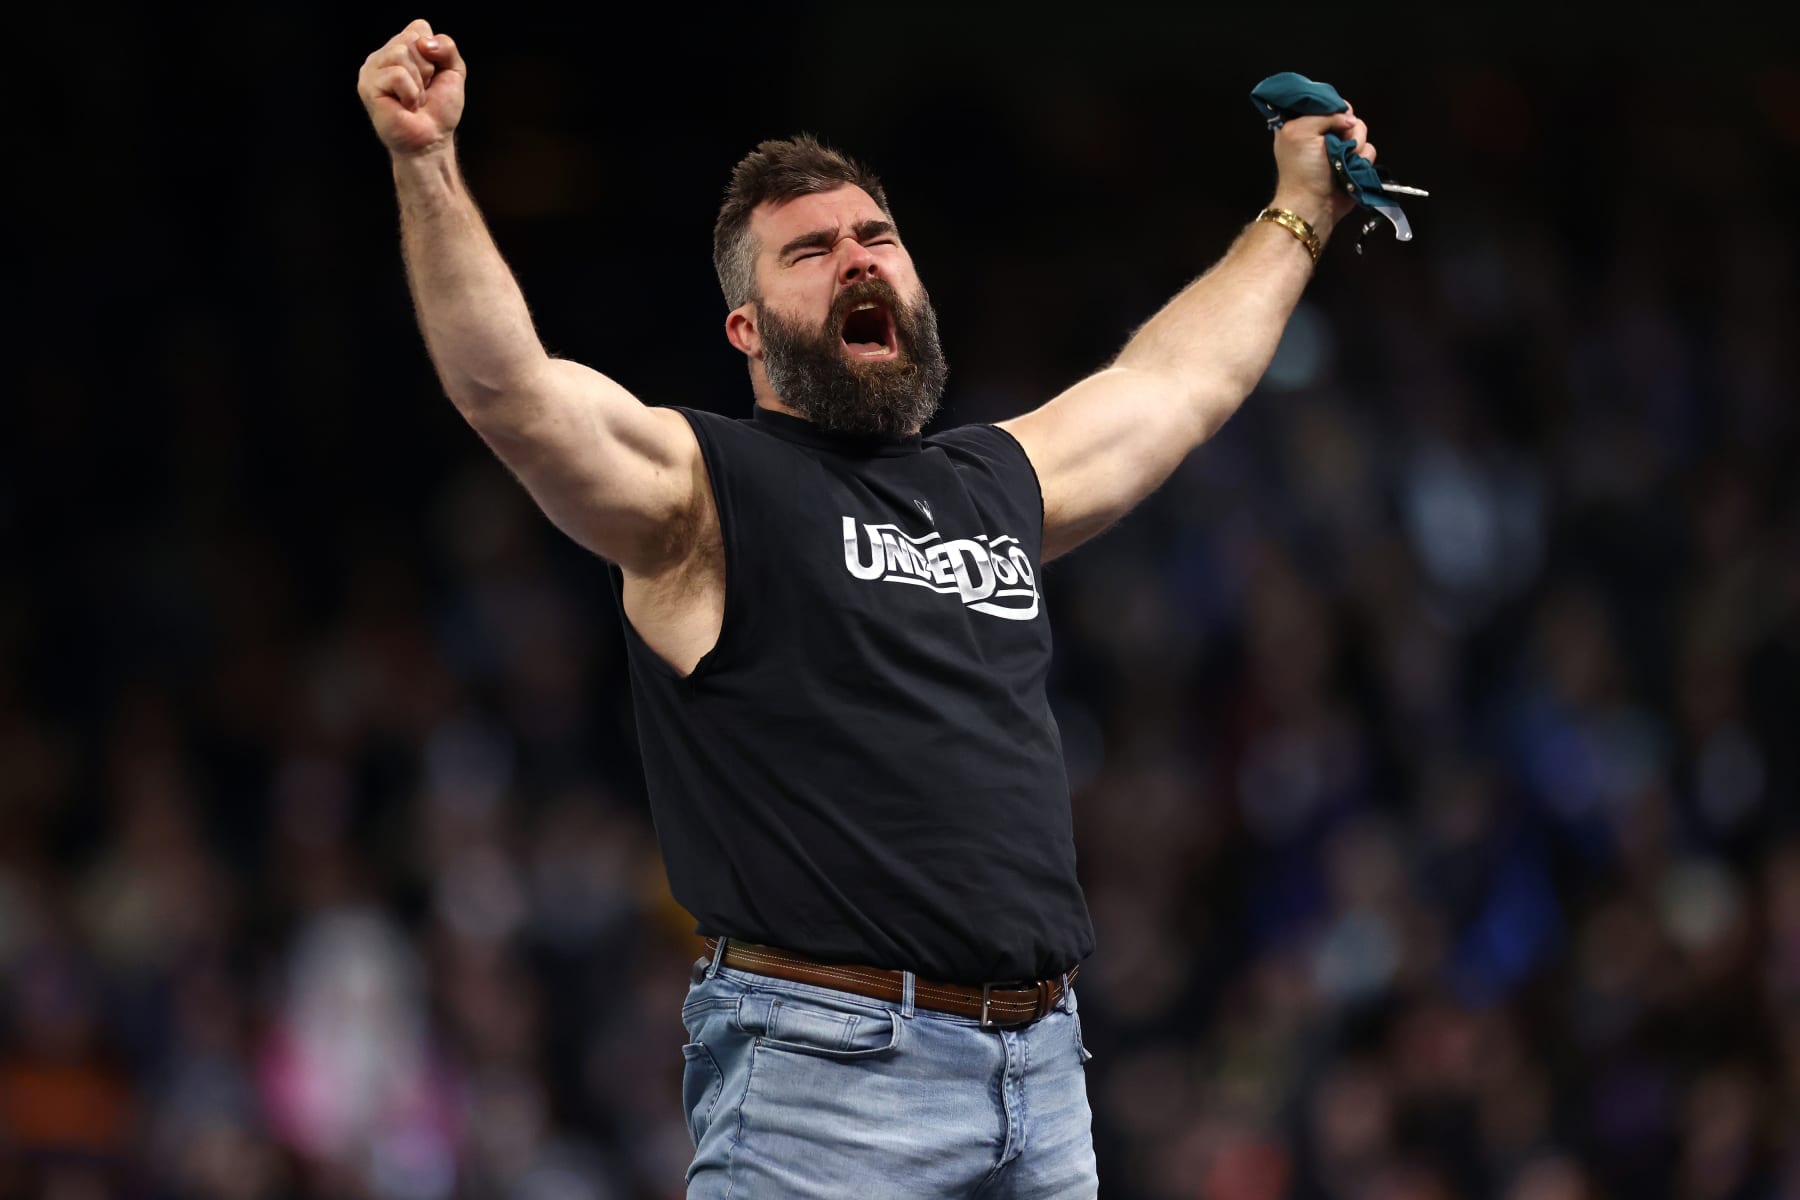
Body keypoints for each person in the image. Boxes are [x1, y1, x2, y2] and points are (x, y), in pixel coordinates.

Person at [357, 18, 1381, 1199]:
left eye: (877, 236)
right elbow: (512, 390)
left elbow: (1177, 385)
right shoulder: (708, 494)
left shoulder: (992, 480)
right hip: (828, 1085)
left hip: (1045, 1076)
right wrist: (426, 164)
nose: (857, 258)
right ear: (745, 330)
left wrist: (1298, 212)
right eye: (810, 251)